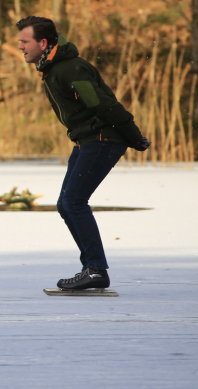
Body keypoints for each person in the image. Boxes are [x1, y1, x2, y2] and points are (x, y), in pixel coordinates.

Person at [16, 16, 150, 290]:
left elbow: (104, 105)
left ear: (43, 43)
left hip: (102, 139)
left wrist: (133, 135)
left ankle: (96, 270)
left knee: (74, 202)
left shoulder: (69, 69)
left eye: (24, 41)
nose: (20, 46)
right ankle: (92, 267)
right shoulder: (52, 69)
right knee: (65, 204)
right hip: (88, 140)